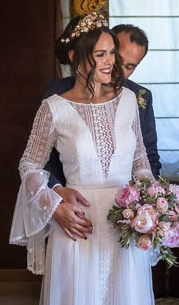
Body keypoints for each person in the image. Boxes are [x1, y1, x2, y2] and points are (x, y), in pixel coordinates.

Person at [2, 13, 157, 305]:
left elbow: (141, 165)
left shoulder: (131, 103)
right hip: (79, 231)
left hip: (125, 231)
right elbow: (29, 163)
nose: (112, 62)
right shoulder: (55, 108)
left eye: (115, 53)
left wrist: (157, 210)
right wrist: (54, 202)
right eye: (103, 53)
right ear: (80, 57)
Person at [43, 23, 161, 241]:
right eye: (114, 55)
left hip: (123, 217)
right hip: (75, 213)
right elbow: (42, 161)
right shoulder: (58, 94)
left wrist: (142, 207)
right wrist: (55, 201)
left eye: (130, 66)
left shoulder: (138, 98)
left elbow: (148, 158)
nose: (117, 68)